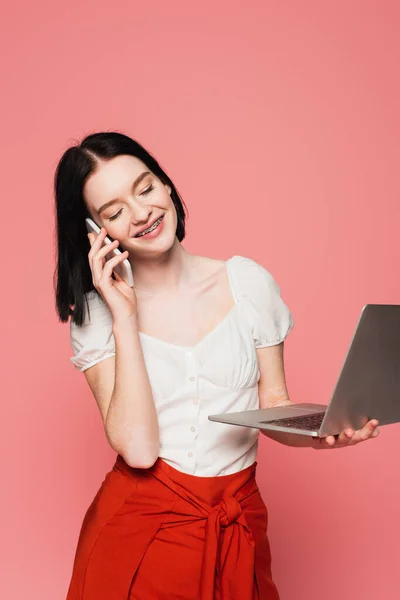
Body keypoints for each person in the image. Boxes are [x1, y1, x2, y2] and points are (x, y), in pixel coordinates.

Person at [54, 131, 380, 600]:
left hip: (238, 522)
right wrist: (124, 313)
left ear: (166, 185)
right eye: (114, 211)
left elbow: (273, 405)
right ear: (94, 231)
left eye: (145, 188)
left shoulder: (248, 283)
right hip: (140, 534)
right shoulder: (97, 315)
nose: (142, 213)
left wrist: (320, 433)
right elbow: (140, 451)